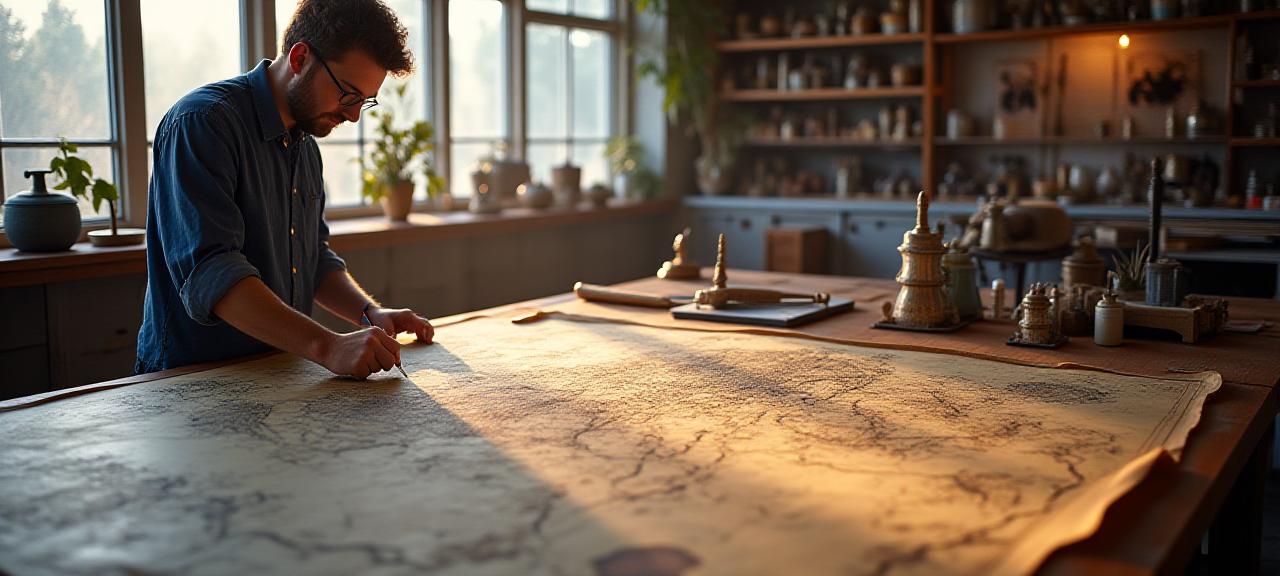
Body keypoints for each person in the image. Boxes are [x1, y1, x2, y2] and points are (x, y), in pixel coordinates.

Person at [136, 0, 432, 379]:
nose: (354, 114)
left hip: (277, 371)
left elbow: (314, 259)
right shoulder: (202, 123)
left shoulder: (306, 144)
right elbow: (212, 272)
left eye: (364, 101)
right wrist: (328, 346)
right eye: (347, 93)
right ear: (300, 58)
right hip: (190, 380)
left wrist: (369, 313)